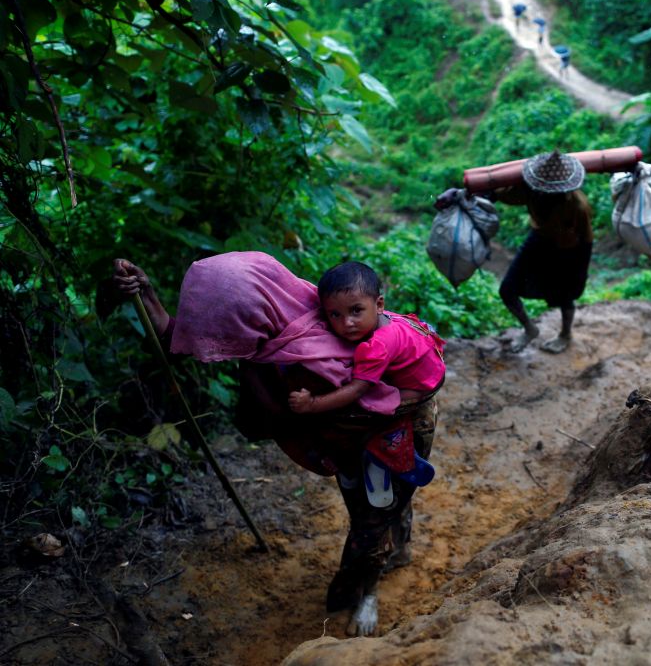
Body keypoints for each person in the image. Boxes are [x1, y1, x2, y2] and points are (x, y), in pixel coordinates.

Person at [112, 254, 440, 638]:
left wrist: (317, 408)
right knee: (376, 509)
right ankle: (392, 547)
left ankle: (363, 591)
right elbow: (181, 339)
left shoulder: (326, 340)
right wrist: (148, 295)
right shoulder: (278, 326)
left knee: (376, 515)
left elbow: (403, 391)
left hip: (392, 432)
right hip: (345, 442)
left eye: (229, 329)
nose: (225, 342)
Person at [436, 151, 593, 354]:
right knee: (507, 289)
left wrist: (579, 269)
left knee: (565, 295)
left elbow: (586, 239)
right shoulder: (532, 191)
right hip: (539, 240)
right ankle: (530, 328)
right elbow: (499, 194)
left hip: (568, 251)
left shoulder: (577, 206)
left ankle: (565, 334)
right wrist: (464, 195)